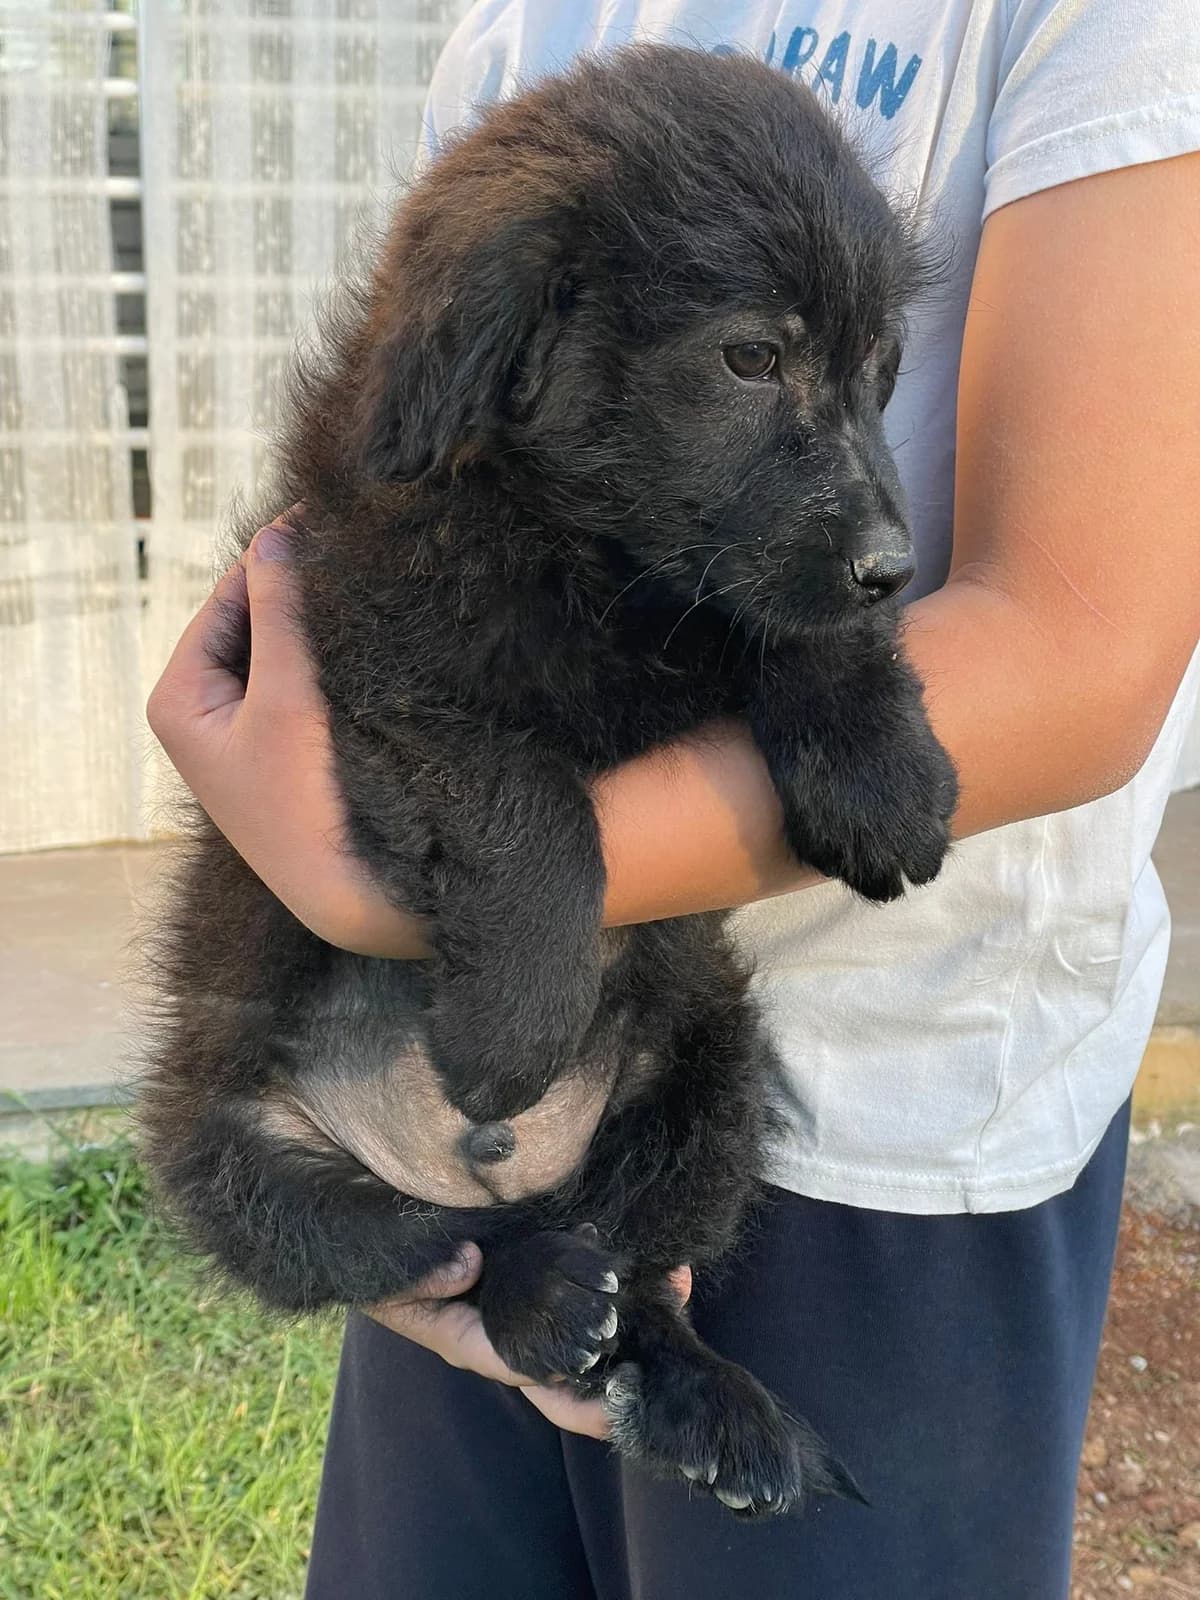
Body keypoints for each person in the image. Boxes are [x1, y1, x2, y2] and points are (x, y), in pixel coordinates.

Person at [146, 2, 1200, 1596]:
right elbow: (355, 556)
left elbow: (1083, 639)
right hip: (403, 1100)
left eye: (862, 374)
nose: (872, 526)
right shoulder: (530, 50)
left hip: (892, 1140)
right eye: (756, 363)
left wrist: (405, 889)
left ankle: (642, 1334)